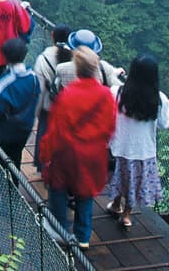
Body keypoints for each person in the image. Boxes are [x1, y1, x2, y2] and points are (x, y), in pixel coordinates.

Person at [40, 46, 117, 249]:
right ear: (95, 69)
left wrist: (46, 154)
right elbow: (110, 126)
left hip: (67, 152)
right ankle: (83, 237)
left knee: (58, 188)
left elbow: (55, 127)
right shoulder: (105, 95)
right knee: (86, 191)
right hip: (94, 153)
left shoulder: (68, 94)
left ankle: (60, 229)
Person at [106, 55, 169, 229]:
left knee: (121, 177)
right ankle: (127, 215)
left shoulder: (117, 92)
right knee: (134, 181)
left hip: (119, 146)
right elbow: (165, 125)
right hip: (144, 150)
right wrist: (167, 108)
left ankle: (116, 204)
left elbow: (109, 113)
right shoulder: (160, 99)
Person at [0, 38, 40, 170]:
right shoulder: (33, 77)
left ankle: (6, 189)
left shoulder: (5, 82)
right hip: (25, 129)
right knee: (15, 158)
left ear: (5, 57)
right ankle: (14, 185)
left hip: (3, 131)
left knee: (0, 163)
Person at [33, 23, 72, 170]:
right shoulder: (77, 57)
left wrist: (37, 111)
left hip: (49, 105)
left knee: (44, 133)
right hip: (69, 107)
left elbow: (40, 88)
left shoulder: (43, 58)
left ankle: (42, 165)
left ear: (52, 36)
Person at [53, 29, 124, 93]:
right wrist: (115, 72)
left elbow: (58, 89)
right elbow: (118, 87)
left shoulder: (61, 69)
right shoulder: (103, 67)